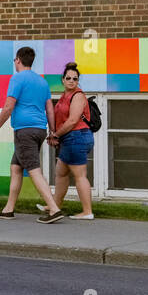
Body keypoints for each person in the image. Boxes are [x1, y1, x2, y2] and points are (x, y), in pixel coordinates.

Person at [0, 46, 63, 222]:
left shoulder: (17, 79)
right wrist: (52, 131)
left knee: (33, 170)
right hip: (39, 129)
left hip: (25, 131)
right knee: (16, 167)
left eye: (14, 60)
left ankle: (53, 209)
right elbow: (49, 109)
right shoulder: (42, 82)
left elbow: (9, 106)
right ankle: (8, 209)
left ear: (18, 60)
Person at [45, 62, 95, 219]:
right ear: (63, 80)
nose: (72, 81)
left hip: (77, 137)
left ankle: (87, 212)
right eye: (68, 78)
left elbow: (73, 120)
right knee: (60, 172)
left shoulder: (78, 96)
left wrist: (56, 135)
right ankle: (55, 206)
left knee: (80, 175)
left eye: (75, 78)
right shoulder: (64, 96)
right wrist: (55, 133)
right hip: (70, 138)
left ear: (78, 80)